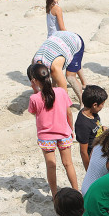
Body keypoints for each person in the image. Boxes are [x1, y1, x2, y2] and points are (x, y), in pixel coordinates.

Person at [28, 62, 78, 197]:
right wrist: (70, 128)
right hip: (64, 133)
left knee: (51, 166)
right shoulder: (61, 92)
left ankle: (55, 195)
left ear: (35, 80)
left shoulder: (34, 98)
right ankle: (76, 190)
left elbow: (35, 112)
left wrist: (35, 90)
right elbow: (69, 113)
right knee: (68, 164)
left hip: (46, 136)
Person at [32, 30, 86, 106]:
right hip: (59, 38)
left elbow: (64, 91)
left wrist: (64, 109)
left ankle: (83, 103)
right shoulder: (34, 63)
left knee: (70, 77)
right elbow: (38, 85)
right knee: (55, 80)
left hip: (74, 40)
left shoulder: (55, 67)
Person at [74, 85, 107, 171]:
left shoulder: (93, 113)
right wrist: (89, 171)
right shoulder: (83, 124)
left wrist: (102, 128)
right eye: (102, 104)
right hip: (94, 158)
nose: (103, 106)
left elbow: (95, 128)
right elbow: (83, 152)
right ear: (95, 105)